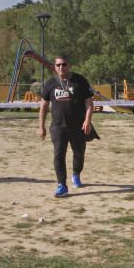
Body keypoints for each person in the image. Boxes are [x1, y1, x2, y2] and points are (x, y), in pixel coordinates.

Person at [38, 55, 95, 197]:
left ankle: (76, 173)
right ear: (55, 67)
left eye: (64, 64)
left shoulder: (79, 81)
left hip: (78, 126)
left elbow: (89, 103)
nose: (61, 67)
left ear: (69, 65)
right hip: (58, 127)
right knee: (58, 155)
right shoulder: (50, 84)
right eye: (58, 65)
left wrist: (87, 120)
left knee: (79, 153)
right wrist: (41, 126)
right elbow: (43, 106)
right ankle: (62, 184)